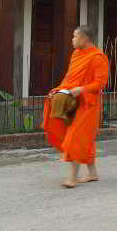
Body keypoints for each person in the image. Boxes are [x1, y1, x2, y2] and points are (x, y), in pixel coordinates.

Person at [43, 26, 109, 189]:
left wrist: (82, 89)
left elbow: (100, 84)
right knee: (83, 139)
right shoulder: (76, 54)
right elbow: (69, 78)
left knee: (76, 138)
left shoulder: (98, 57)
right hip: (73, 101)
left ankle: (72, 177)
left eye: (74, 37)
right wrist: (58, 91)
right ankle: (92, 173)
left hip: (88, 103)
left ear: (84, 38)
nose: (72, 40)